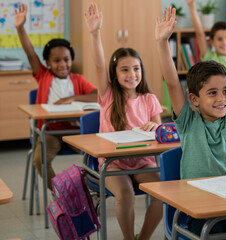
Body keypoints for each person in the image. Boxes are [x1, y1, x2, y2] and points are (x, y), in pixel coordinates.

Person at [156, 6, 226, 238]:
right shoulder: (189, 121)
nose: (222, 99)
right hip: (201, 210)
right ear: (194, 99)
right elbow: (171, 82)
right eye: (212, 93)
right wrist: (161, 42)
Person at [84, 3, 162, 240]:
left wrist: (157, 127)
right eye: (125, 70)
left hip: (142, 160)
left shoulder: (149, 99)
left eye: (136, 69)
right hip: (113, 163)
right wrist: (95, 33)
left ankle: (143, 238)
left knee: (163, 193)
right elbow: (98, 64)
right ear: (115, 75)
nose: (132, 75)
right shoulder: (107, 96)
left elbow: (161, 132)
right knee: (126, 194)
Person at [14, 3, 97, 190]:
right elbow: (29, 52)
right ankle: (63, 193)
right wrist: (20, 28)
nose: (62, 64)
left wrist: (72, 98)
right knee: (40, 160)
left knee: (97, 156)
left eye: (66, 60)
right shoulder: (43, 75)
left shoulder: (78, 79)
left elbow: (97, 96)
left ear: (72, 60)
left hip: (76, 132)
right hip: (50, 132)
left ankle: (93, 192)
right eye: (56, 60)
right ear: (48, 62)